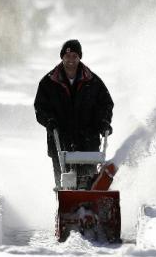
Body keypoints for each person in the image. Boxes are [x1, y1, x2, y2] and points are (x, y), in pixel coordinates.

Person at [34, 39, 114, 188]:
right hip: (60, 139)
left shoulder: (93, 81)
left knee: (89, 182)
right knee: (65, 185)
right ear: (62, 57)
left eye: (74, 56)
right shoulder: (48, 82)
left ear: (80, 58)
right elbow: (40, 107)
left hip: (88, 140)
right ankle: (64, 208)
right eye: (67, 56)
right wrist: (49, 121)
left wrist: (104, 121)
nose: (71, 60)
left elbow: (106, 104)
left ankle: (92, 209)